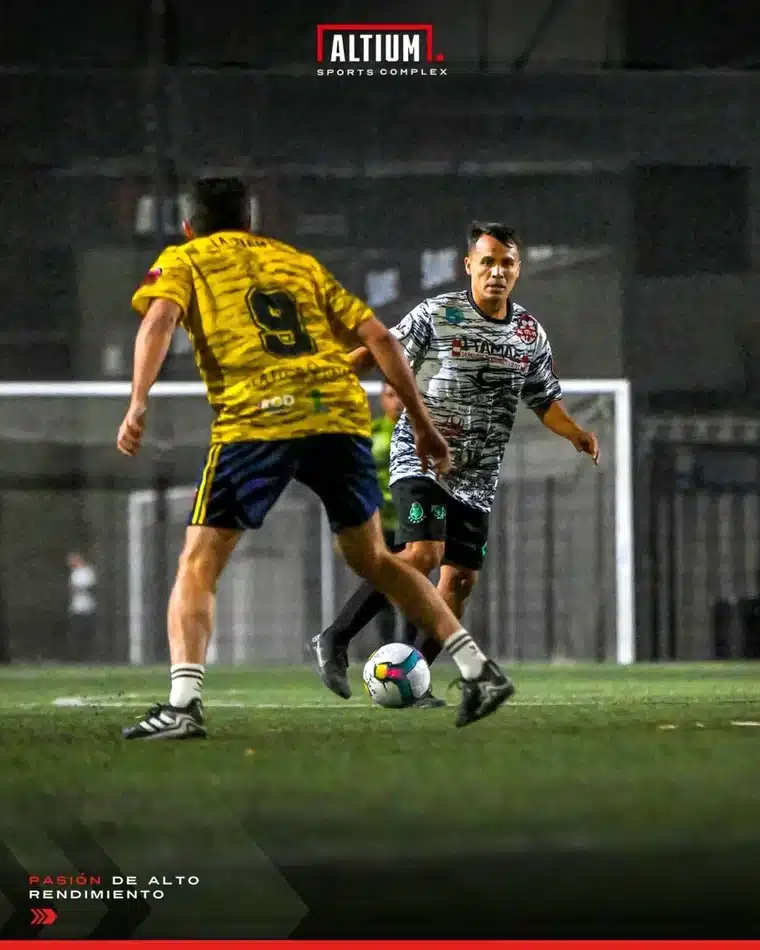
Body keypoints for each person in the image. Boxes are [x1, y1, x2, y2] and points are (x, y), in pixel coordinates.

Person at [117, 179, 515, 738]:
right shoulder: (296, 262)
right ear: (250, 222)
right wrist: (424, 427)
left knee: (198, 563)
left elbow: (157, 321)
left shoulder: (184, 258)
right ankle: (479, 669)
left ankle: (183, 705)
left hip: (259, 416)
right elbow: (380, 338)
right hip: (339, 413)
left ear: (188, 226)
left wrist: (137, 402)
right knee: (376, 559)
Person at [313, 221, 599, 699]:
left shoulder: (529, 333)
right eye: (487, 261)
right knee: (423, 555)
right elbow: (382, 349)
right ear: (469, 265)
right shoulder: (438, 312)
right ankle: (336, 638)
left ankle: (414, 678)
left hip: (477, 476)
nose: (497, 272)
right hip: (422, 455)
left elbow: (543, 399)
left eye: (507, 263)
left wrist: (575, 433)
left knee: (460, 581)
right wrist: (333, 371)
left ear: (518, 269)